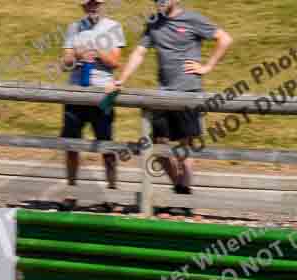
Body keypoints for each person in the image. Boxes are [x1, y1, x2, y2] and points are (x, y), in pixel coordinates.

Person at [107, 0, 233, 194]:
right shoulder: (153, 22)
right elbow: (139, 53)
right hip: (163, 93)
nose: (160, 2)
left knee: (186, 145)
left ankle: (184, 194)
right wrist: (121, 79)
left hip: (188, 91)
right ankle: (178, 187)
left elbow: (224, 39)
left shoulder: (192, 19)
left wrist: (207, 67)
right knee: (158, 144)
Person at [61, 0, 126, 189]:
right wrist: (77, 56)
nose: (92, 7)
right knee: (71, 145)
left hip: (103, 93)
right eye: (88, 4)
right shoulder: (74, 27)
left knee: (106, 145)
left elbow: (115, 62)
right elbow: (65, 63)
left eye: (96, 3)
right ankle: (71, 192)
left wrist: (97, 52)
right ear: (83, 7)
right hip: (76, 93)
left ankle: (112, 190)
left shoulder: (114, 27)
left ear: (102, 5)